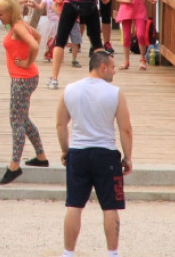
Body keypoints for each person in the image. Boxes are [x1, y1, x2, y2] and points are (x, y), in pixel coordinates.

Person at [55, 50, 133, 257]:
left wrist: (65, 150)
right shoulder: (115, 93)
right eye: (113, 67)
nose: (115, 72)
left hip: (79, 151)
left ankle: (68, 253)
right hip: (105, 153)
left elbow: (61, 124)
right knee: (109, 206)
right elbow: (126, 128)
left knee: (74, 205)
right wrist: (128, 157)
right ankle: (112, 253)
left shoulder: (70, 90)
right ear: (103, 67)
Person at [0, 0, 48, 185]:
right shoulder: (19, 24)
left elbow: (34, 44)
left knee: (16, 121)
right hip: (25, 78)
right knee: (23, 118)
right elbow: (38, 36)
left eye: (1, 14)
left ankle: (14, 166)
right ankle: (41, 156)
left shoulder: (18, 26)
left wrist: (27, 61)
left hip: (22, 79)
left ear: (10, 12)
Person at [115, 0, 156, 71]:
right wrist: (126, 0)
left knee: (141, 35)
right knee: (127, 36)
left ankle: (143, 59)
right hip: (126, 10)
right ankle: (126, 61)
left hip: (139, 10)